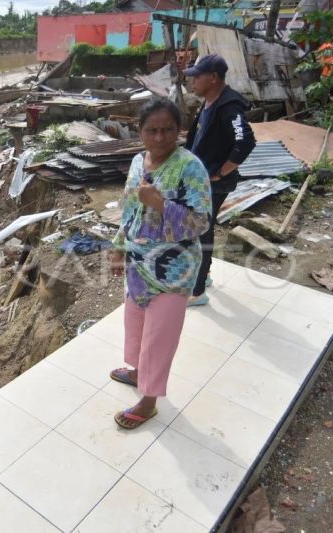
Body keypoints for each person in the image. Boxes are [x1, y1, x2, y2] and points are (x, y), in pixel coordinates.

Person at [107, 97, 212, 429]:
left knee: (159, 336)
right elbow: (128, 208)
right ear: (139, 131)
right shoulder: (138, 162)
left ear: (179, 130)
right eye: (151, 130)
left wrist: (161, 204)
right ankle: (138, 372)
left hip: (173, 270)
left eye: (168, 130)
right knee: (136, 323)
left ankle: (149, 400)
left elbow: (201, 221)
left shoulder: (190, 167)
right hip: (138, 263)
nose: (160, 137)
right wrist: (118, 248)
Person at [184, 54, 256, 306]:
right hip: (201, 180)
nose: (192, 81)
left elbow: (245, 141)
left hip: (214, 183)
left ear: (213, 77)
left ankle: (197, 291)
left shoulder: (229, 107)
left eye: (197, 76)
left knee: (201, 231)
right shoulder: (209, 102)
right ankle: (204, 276)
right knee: (201, 229)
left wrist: (221, 173)